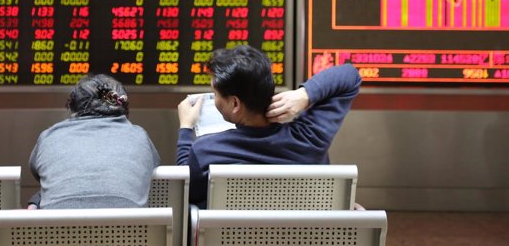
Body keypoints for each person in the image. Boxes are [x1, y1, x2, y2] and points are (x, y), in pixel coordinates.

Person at [176, 45, 361, 208]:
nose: (214, 99)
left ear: (235, 104)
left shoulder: (207, 151)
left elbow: (184, 191)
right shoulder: (309, 138)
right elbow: (350, 76)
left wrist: (185, 127)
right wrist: (305, 94)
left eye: (215, 93)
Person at [29, 73, 160, 208]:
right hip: (130, 229)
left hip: (56, 229)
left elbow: (41, 176)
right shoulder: (139, 136)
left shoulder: (49, 137)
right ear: (122, 105)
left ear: (73, 106)